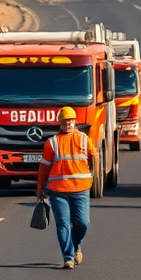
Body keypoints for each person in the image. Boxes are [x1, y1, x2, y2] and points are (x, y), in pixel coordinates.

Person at [36, 106, 98, 270]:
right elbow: (44, 168)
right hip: (58, 191)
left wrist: (94, 175)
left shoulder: (84, 139)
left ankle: (76, 246)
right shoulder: (53, 143)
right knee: (63, 224)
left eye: (71, 120)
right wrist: (40, 188)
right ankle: (68, 257)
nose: (68, 123)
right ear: (60, 123)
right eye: (65, 121)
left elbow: (94, 155)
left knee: (83, 223)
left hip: (81, 189)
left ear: (75, 121)